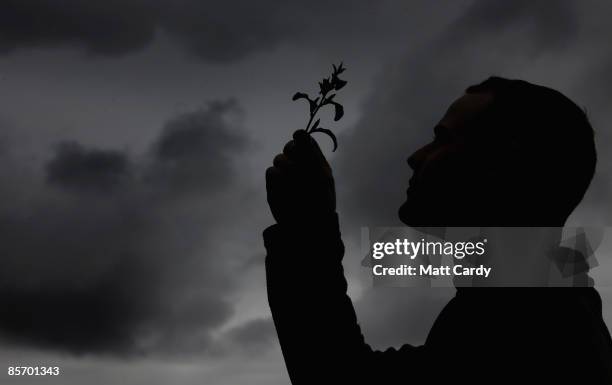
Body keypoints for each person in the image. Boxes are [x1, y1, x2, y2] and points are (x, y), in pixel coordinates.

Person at [264, 77, 612, 384]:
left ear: (500, 165)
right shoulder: (541, 299)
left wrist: (305, 230)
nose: (415, 156)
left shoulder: (536, 324)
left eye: (441, 139)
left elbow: (340, 376)